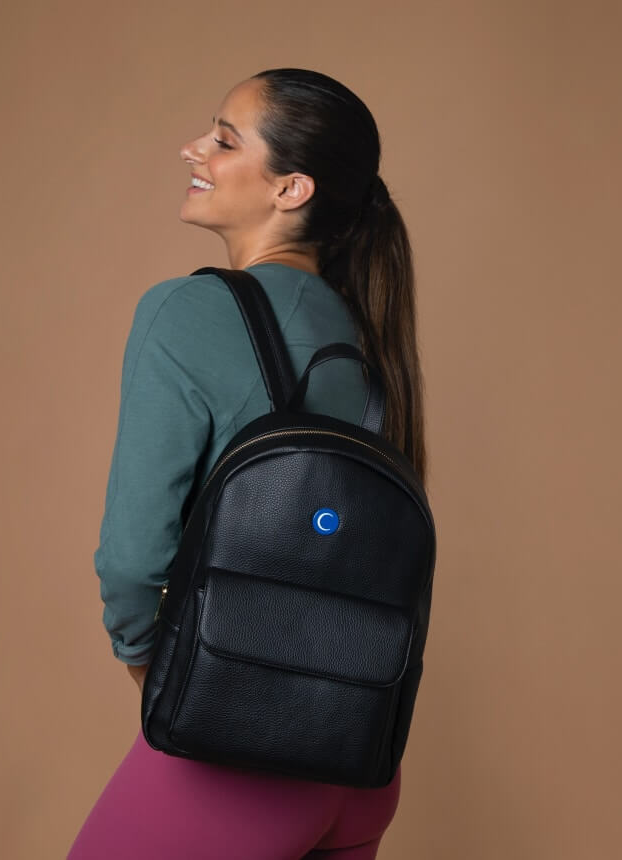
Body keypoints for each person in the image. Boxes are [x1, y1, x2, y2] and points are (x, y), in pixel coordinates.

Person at [67, 67, 427, 860]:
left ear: (291, 189)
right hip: (360, 752)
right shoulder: (366, 335)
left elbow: (132, 561)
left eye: (225, 140)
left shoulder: (187, 311)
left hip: (241, 754)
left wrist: (156, 674)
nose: (193, 149)